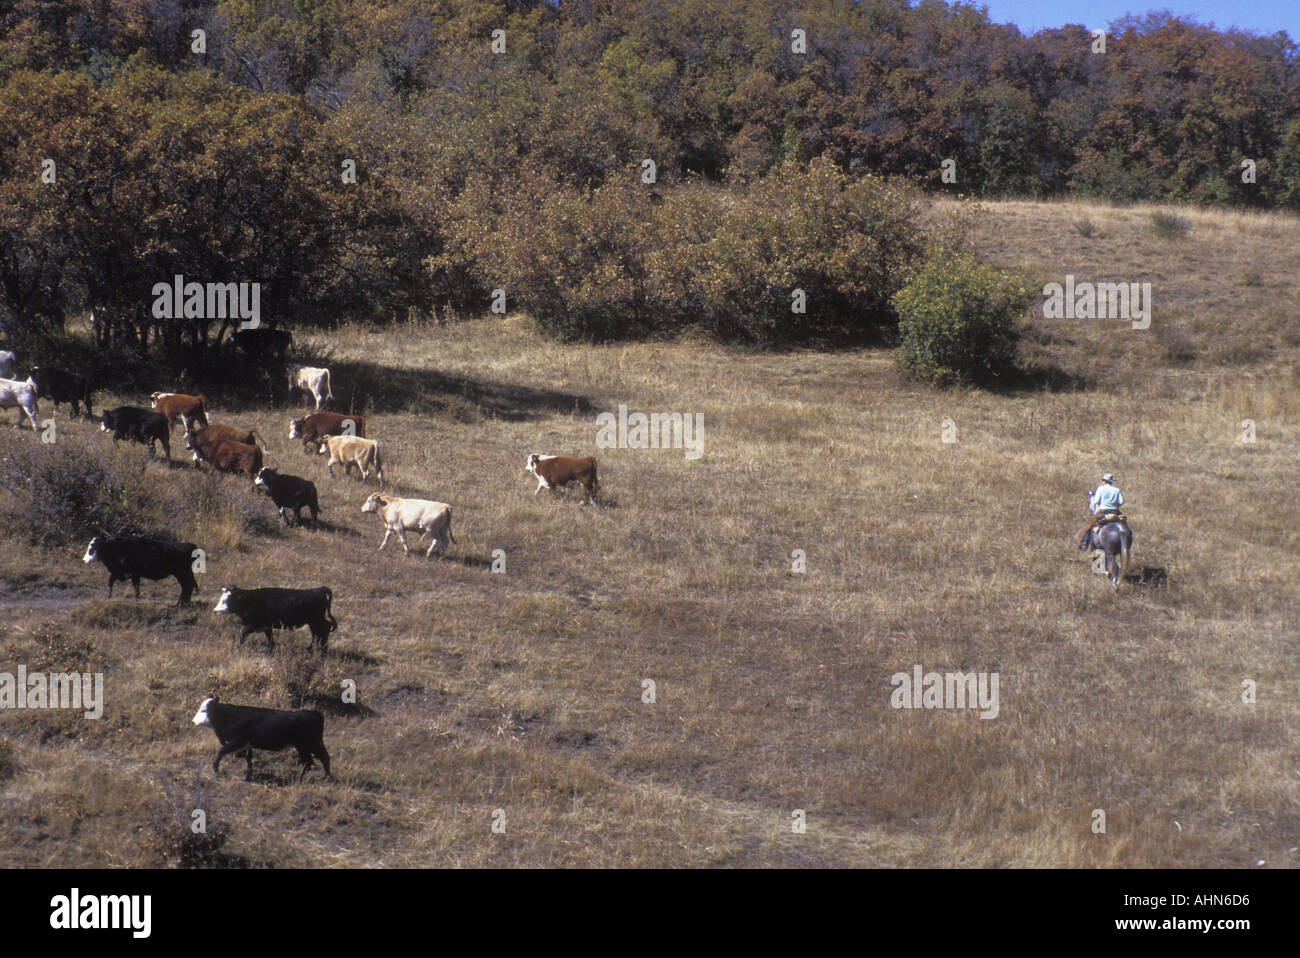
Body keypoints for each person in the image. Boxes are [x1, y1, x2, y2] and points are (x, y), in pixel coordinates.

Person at [1075, 472, 1125, 550]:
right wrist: (1115, 505)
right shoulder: (1117, 490)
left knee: (1088, 525)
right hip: (1115, 512)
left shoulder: (1100, 489)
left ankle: (1084, 542)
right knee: (1124, 523)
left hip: (1103, 511)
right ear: (1111, 482)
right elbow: (1121, 502)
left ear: (1104, 481)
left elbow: (1096, 501)